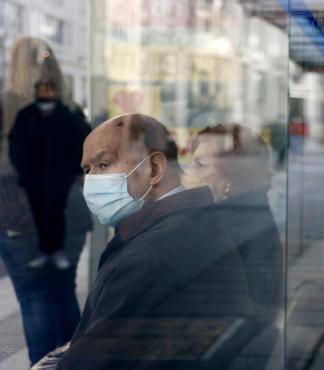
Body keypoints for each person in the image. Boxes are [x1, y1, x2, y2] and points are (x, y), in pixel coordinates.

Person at [52, 114, 252, 369]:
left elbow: (93, 362)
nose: (91, 181)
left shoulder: (149, 255)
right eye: (87, 170)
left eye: (103, 165)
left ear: (154, 168)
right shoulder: (192, 222)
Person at [0, 37, 92, 365]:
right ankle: (74, 365)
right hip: (70, 216)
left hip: (20, 220)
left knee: (35, 299)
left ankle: (43, 366)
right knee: (63, 294)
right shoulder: (70, 106)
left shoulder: (6, 106)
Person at [186, 123, 283, 363]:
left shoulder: (221, 228)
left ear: (233, 175)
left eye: (200, 164)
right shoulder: (248, 213)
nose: (187, 172)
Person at [10, 78, 91, 270]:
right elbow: (15, 145)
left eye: (49, 89)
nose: (45, 93)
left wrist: (75, 169)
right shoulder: (26, 115)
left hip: (60, 176)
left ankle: (56, 250)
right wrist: (21, 169)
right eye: (42, 89)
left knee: (56, 212)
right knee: (39, 213)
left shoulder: (68, 115)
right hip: (33, 177)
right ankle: (45, 250)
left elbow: (82, 140)